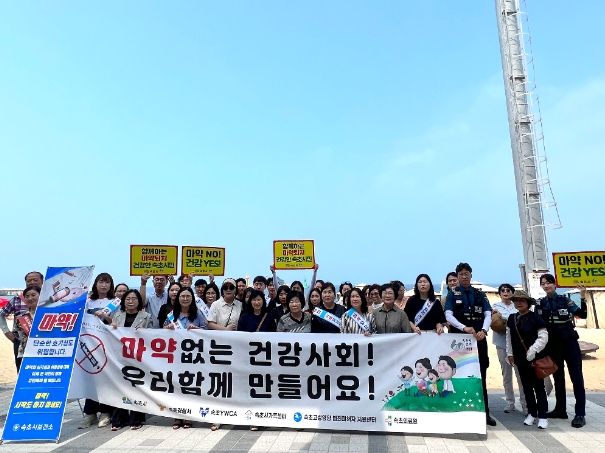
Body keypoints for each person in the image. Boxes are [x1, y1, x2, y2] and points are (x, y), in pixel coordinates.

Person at [444, 262, 496, 426]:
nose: (464, 276)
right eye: (461, 274)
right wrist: (464, 327)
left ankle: (484, 413)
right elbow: (448, 315)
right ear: (457, 276)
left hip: (478, 339)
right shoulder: (452, 294)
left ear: (471, 275)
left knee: (481, 375)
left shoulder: (479, 294)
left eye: (466, 273)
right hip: (459, 341)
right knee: (458, 374)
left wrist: (484, 330)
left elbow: (488, 314)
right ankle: (458, 412)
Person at [536, 274, 588, 428]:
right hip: (553, 345)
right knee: (558, 378)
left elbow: (583, 314)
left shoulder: (565, 300)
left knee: (576, 377)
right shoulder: (540, 303)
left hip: (569, 343)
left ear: (555, 284)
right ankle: (560, 409)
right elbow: (537, 324)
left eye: (549, 282)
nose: (546, 286)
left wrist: (583, 296)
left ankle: (580, 414)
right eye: (543, 283)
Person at [506, 290, 549, 429]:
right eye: (516, 300)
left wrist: (533, 350)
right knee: (526, 387)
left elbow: (543, 336)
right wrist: (510, 353)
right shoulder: (512, 318)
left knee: (539, 387)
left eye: (522, 300)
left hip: (535, 359)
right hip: (519, 359)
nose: (519, 303)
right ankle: (532, 413)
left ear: (528, 303)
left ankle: (543, 416)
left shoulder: (536, 317)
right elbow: (509, 337)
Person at [110, 289, 152, 430]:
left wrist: (144, 332)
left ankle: (136, 418)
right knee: (119, 387)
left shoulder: (146, 316)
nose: (131, 301)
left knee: (136, 387)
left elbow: (153, 336)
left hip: (138, 358)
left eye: (134, 298)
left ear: (139, 301)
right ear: (123, 301)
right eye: (128, 299)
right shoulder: (117, 315)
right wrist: (112, 328)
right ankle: (118, 420)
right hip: (119, 358)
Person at [80, 272, 117, 429]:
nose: (104, 285)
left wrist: (105, 316)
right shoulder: (88, 301)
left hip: (106, 344)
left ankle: (106, 412)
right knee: (90, 378)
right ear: (95, 284)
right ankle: (90, 413)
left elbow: (117, 321)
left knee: (105, 378)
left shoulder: (115, 302)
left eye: (107, 282)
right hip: (88, 344)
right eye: (101, 282)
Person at [492, 283, 526, 414]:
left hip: (517, 344)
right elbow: (495, 322)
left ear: (513, 292)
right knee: (506, 375)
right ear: (499, 294)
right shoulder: (495, 306)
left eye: (508, 290)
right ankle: (510, 402)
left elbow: (517, 320)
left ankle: (524, 403)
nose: (505, 292)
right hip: (501, 343)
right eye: (502, 290)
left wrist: (504, 319)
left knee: (520, 375)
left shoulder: (517, 306)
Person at [0, 271, 44, 370]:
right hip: (21, 343)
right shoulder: (17, 299)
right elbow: (1, 315)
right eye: (29, 281)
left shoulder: (51, 299)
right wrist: (6, 332)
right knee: (22, 371)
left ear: (42, 281)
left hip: (45, 342)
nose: (32, 282)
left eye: (35, 280)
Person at [14, 285, 41, 367]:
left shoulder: (50, 315)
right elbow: (19, 336)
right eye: (27, 296)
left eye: (33, 295)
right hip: (25, 354)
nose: (30, 298)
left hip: (45, 353)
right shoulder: (20, 317)